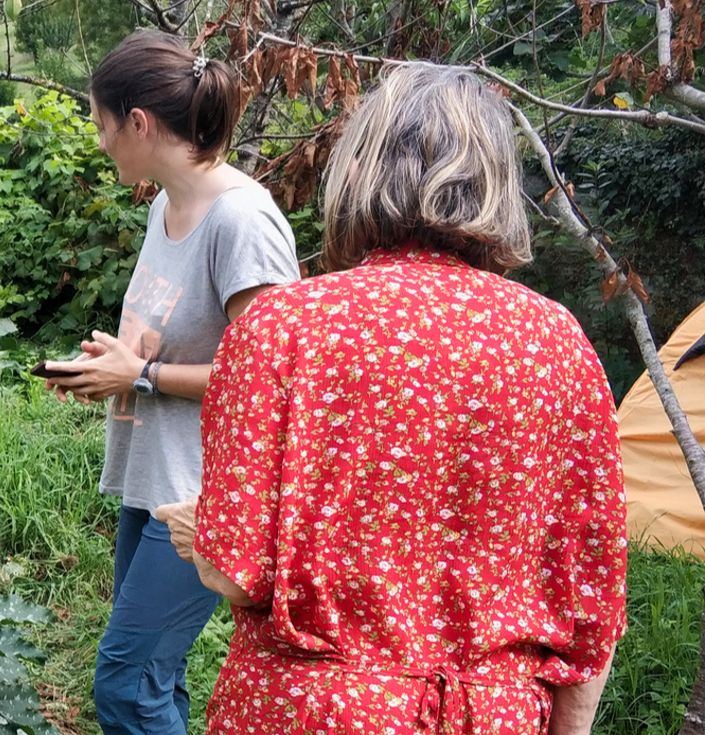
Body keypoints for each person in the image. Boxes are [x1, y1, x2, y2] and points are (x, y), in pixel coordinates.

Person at [157, 62, 627, 734]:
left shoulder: (285, 326)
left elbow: (234, 569)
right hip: (491, 716)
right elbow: (590, 603)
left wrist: (197, 527)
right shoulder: (558, 343)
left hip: (310, 712)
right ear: (496, 181)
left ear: (360, 168)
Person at [40, 30, 302, 735]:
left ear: (139, 123)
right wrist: (113, 365)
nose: (98, 145)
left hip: (206, 492)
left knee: (124, 683)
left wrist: (145, 374)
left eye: (100, 125)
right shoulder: (164, 204)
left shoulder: (242, 221)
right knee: (154, 676)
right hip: (152, 475)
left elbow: (275, 380)